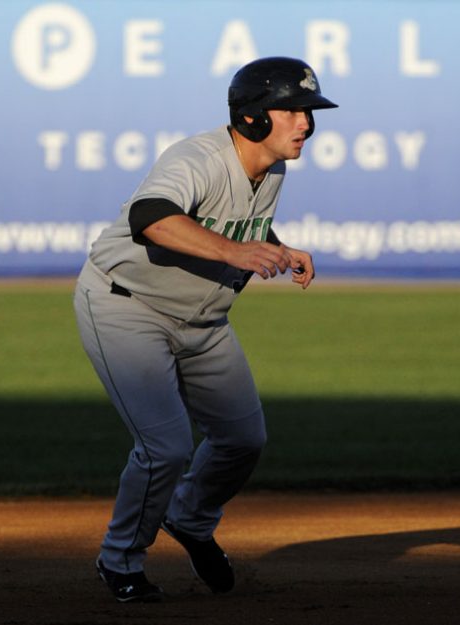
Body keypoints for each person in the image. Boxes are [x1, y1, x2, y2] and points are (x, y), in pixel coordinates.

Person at [73, 57, 338, 602]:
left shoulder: (274, 168)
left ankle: (190, 519)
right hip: (128, 307)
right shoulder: (199, 157)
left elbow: (235, 224)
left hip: (204, 319)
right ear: (252, 119)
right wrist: (237, 251)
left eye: (308, 112)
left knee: (243, 439)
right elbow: (150, 216)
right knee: (165, 447)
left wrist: (276, 247)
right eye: (292, 111)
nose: (305, 124)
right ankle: (119, 559)